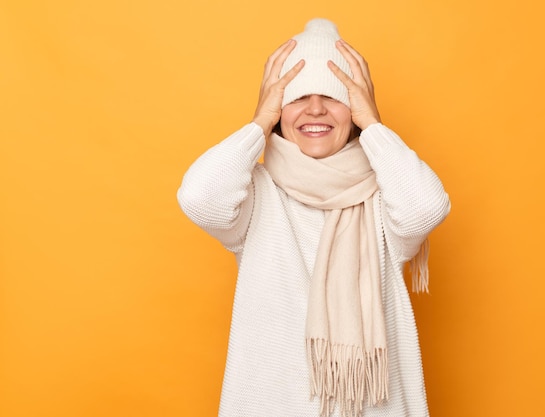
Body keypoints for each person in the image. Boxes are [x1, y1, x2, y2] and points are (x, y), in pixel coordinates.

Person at [177, 18, 450, 417]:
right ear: (278, 108)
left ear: (354, 110)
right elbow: (200, 197)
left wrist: (374, 125)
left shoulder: (385, 195)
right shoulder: (255, 194)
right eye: (299, 97)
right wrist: (259, 122)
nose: (316, 108)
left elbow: (426, 207)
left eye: (333, 97)